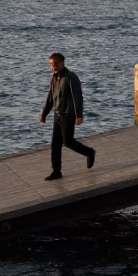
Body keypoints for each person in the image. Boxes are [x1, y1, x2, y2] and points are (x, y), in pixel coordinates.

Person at [40, 52, 96, 181]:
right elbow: (50, 99)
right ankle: (56, 171)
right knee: (55, 144)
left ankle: (89, 152)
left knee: (68, 142)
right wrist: (44, 114)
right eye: (51, 65)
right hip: (57, 115)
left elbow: (78, 97)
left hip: (68, 115)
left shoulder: (71, 78)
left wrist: (79, 115)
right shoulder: (54, 78)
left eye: (55, 64)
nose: (53, 67)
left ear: (62, 63)